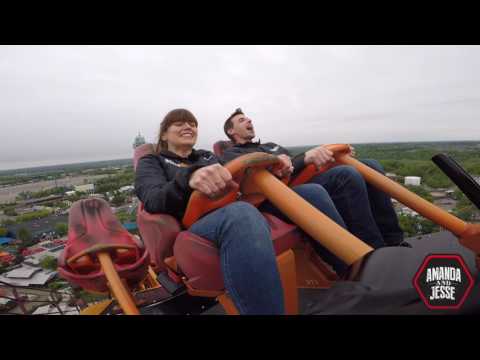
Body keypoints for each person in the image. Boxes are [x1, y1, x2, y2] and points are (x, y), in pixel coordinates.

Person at [222, 108, 406, 251]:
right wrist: (302, 158)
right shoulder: (232, 154)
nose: (249, 120)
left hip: (299, 180)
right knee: (345, 176)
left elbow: (297, 162)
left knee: (369, 165)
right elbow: (252, 176)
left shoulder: (271, 146)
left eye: (248, 118)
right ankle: (374, 250)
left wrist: (331, 156)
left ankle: (394, 240)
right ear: (231, 131)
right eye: (242, 120)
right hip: (276, 196)